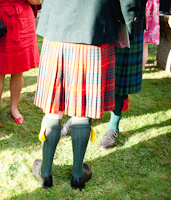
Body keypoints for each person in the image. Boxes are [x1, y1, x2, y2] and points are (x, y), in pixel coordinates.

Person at [32, 0, 142, 190]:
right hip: (96, 27)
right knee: (81, 108)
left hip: (58, 26)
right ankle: (77, 175)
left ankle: (45, 172)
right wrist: (129, 27)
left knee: (54, 106)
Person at [99, 0, 147, 150]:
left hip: (128, 20)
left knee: (120, 79)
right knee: (89, 73)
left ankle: (113, 126)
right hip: (98, 19)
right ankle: (76, 118)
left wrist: (129, 27)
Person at [143, 0, 160, 69]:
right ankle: (139, 74)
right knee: (144, 43)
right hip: (152, 3)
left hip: (144, 4)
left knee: (142, 42)